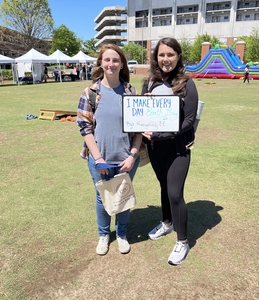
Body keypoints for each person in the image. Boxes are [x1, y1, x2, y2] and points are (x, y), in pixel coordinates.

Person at [77, 44, 142, 256]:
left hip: (125, 159)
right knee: (101, 197)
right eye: (107, 60)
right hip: (99, 159)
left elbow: (139, 129)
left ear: (122, 64)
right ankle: (104, 235)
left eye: (115, 60)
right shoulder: (90, 93)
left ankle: (121, 234)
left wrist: (133, 156)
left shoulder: (131, 92)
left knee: (123, 196)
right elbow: (85, 128)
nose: (111, 64)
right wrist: (99, 159)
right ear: (101, 63)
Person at [141, 37, 198, 265]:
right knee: (164, 187)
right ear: (156, 57)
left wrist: (163, 134)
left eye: (170, 55)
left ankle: (182, 241)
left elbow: (189, 121)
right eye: (162, 55)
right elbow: (142, 114)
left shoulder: (186, 84)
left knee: (175, 193)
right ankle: (167, 222)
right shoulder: (149, 82)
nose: (166, 59)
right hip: (155, 148)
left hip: (178, 149)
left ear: (178, 56)